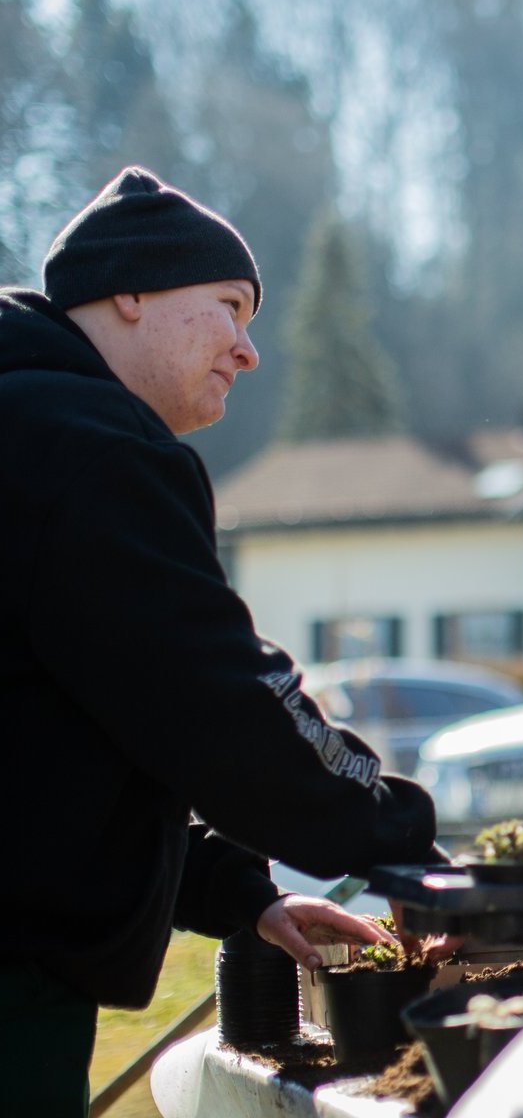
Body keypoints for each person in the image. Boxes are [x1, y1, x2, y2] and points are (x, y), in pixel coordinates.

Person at [0, 168, 443, 1115]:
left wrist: (242, 894)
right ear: (129, 292)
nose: (248, 351)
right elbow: (216, 697)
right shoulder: (91, 450)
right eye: (230, 308)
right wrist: (404, 838)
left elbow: (66, 734)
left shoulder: (28, 424)